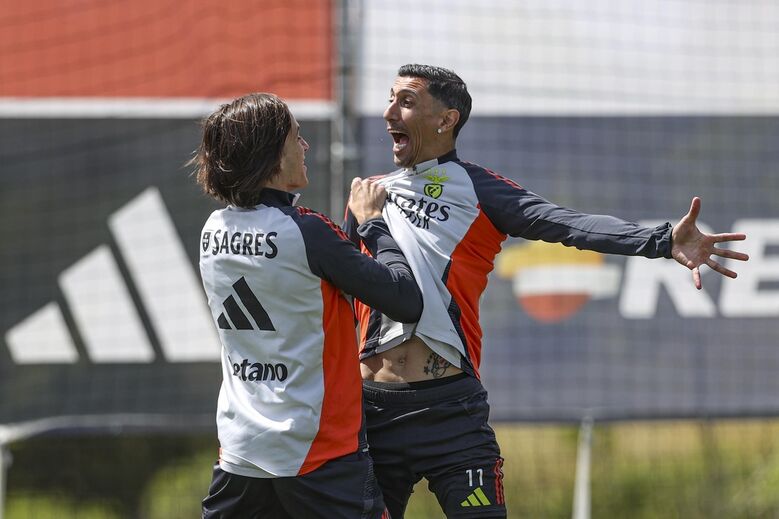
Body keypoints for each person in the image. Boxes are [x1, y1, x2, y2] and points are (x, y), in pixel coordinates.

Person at [343, 64, 749, 518]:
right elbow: (343, 297)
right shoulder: (367, 197)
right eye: (390, 98)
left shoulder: (480, 190)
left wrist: (662, 239)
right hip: (372, 413)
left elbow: (567, 224)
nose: (388, 113)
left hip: (449, 412)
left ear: (446, 120)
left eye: (406, 101)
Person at [193, 92, 422, 518]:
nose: (305, 147)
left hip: (240, 450)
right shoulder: (306, 231)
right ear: (270, 159)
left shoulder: (212, 229)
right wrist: (373, 223)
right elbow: (405, 298)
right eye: (296, 139)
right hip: (317, 452)